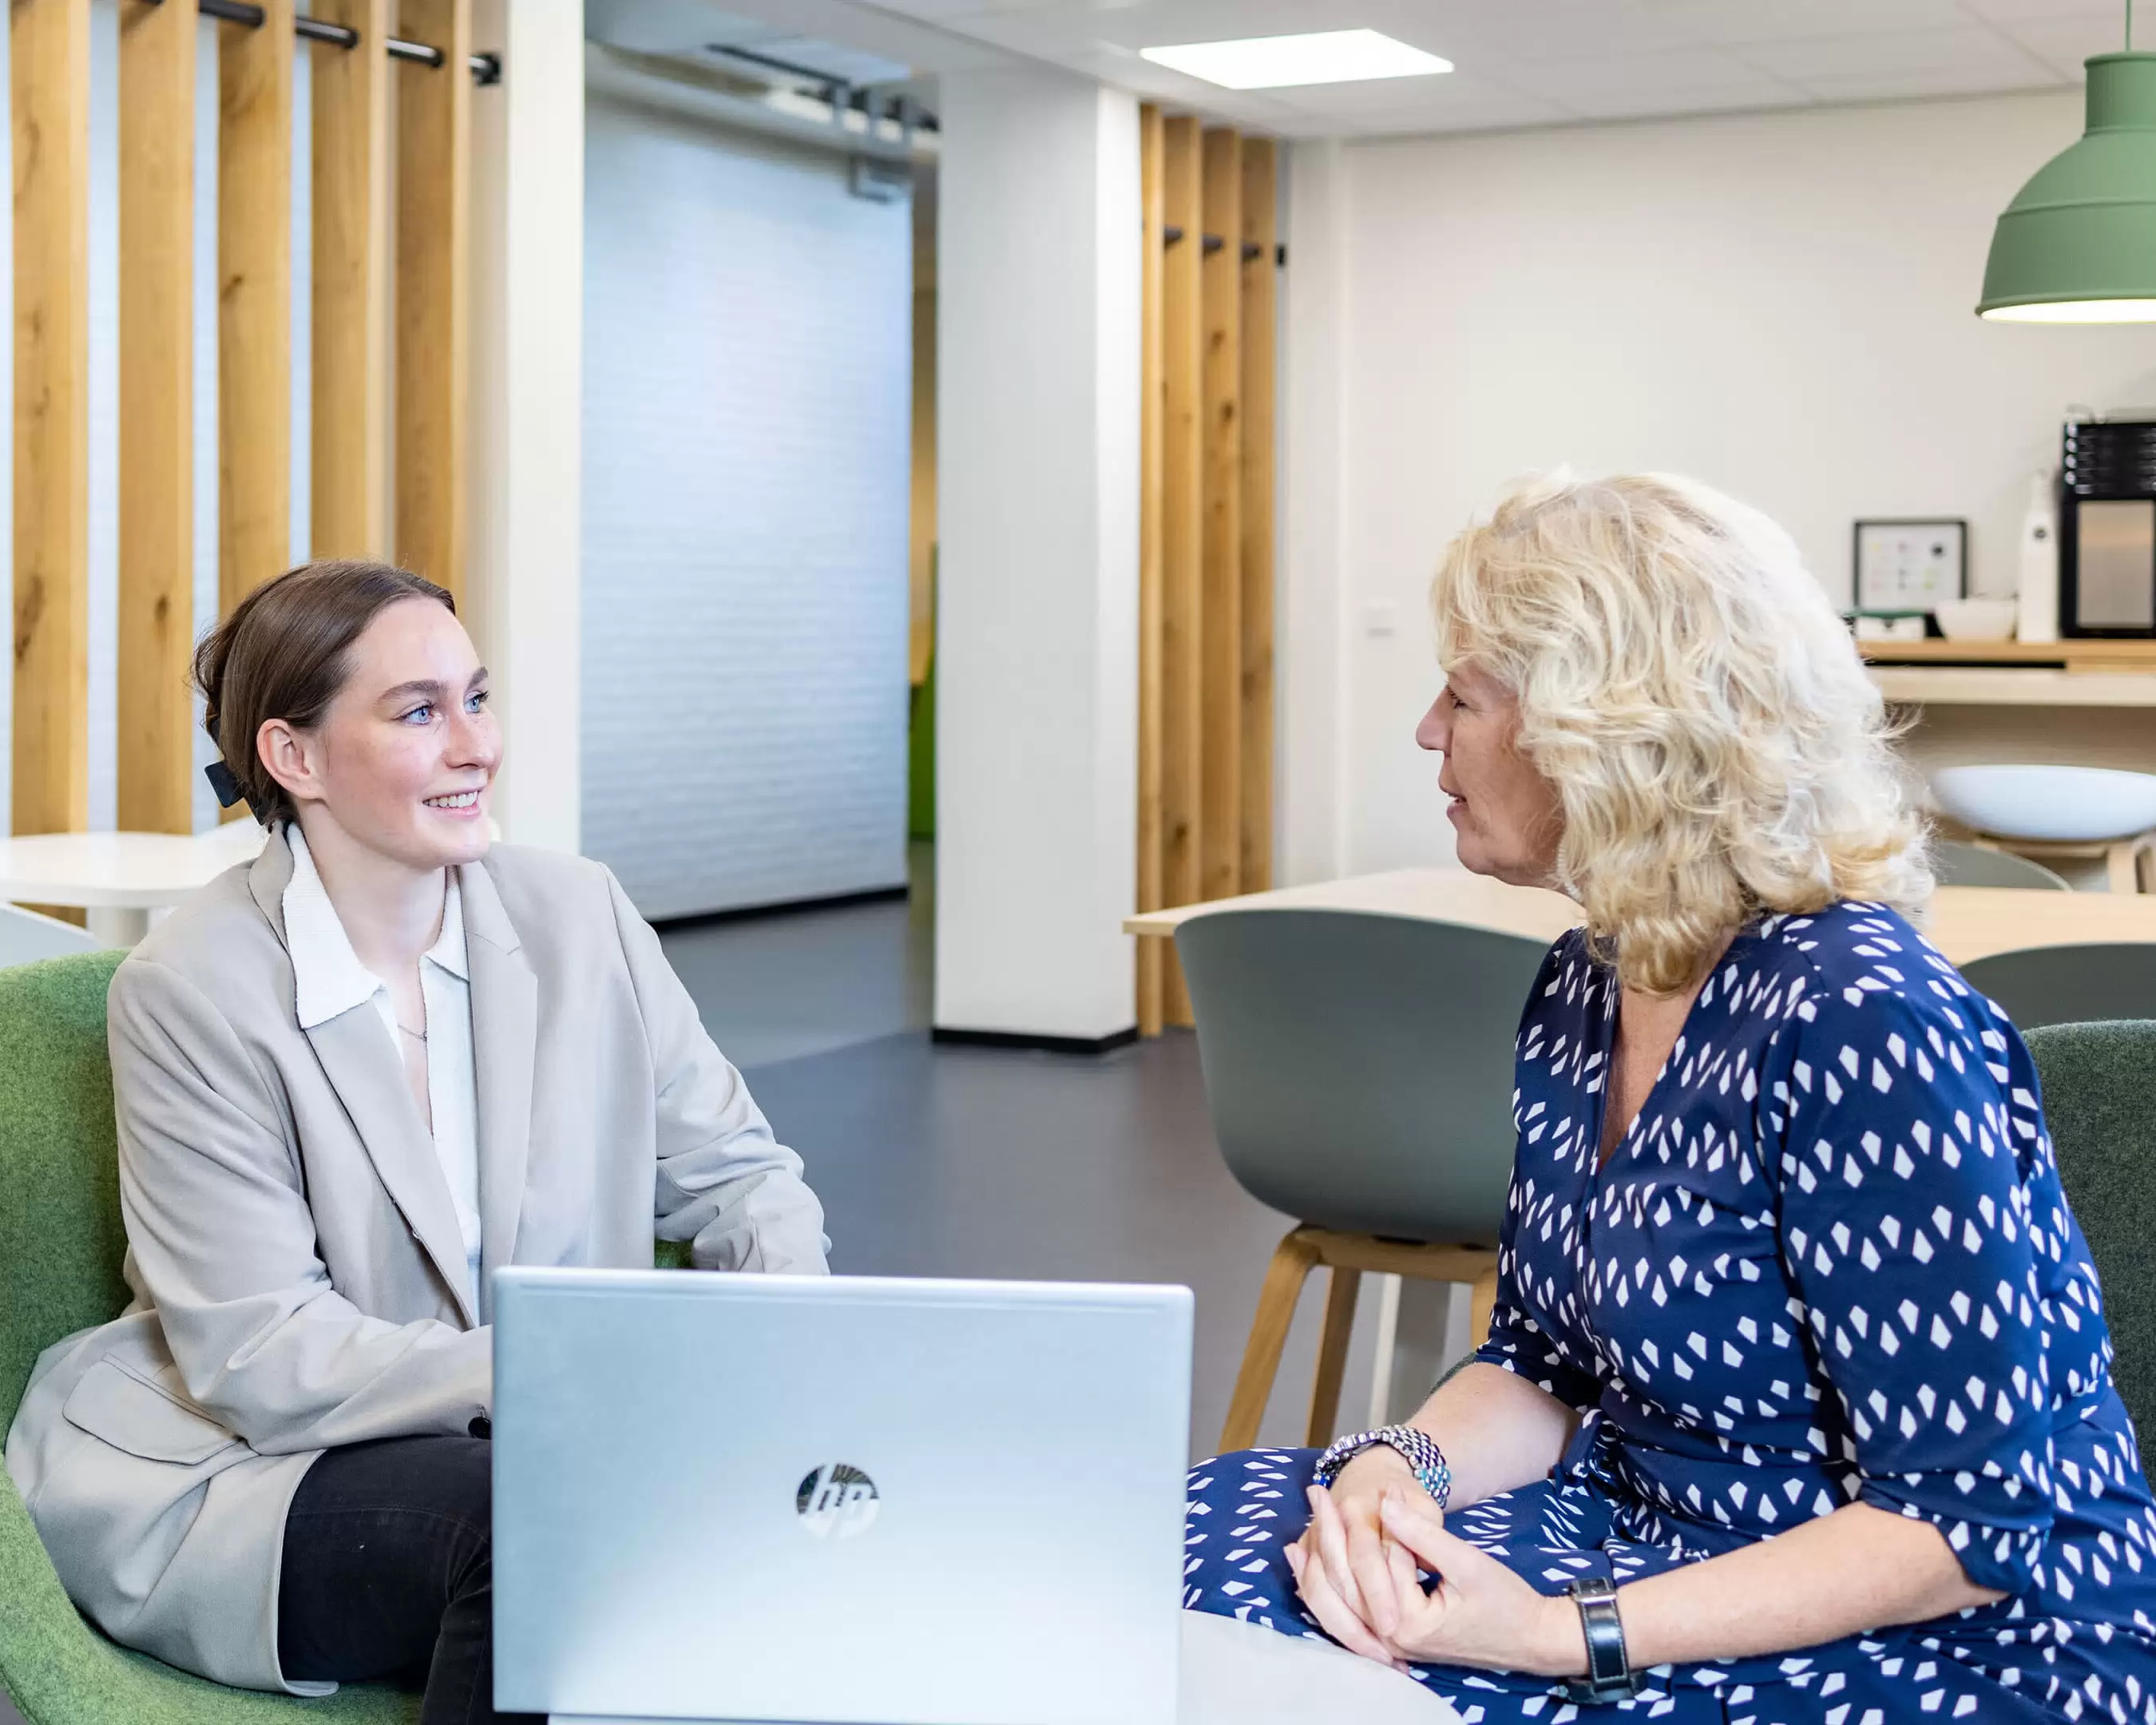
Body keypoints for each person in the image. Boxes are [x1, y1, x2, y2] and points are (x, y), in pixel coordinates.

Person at [1183, 474, 2156, 1722]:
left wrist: (1552, 1633)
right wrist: (1396, 1471)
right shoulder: (1586, 985)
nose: (1429, 733)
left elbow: (1965, 1530)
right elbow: (1541, 1367)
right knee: (1205, 1542)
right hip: (1650, 1532)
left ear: (1603, 735)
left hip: (1961, 1635)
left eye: (1464, 697)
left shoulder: (1863, 1019)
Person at [5, 561, 829, 1725]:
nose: (476, 746)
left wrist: (793, 1347)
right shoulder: (192, 988)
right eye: (419, 712)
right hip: (253, 1468)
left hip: (553, 1441)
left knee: (808, 1516)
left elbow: (740, 1178)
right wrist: (571, 1370)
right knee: (548, 1519)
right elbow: (262, 1355)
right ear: (294, 758)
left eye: (477, 699)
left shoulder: (580, 914)